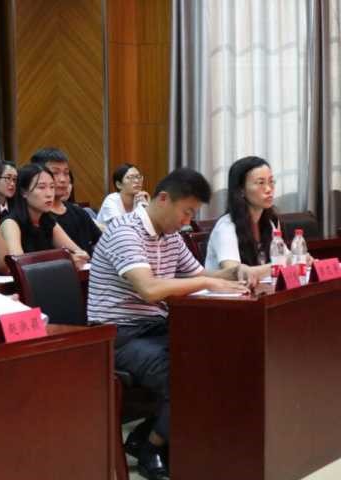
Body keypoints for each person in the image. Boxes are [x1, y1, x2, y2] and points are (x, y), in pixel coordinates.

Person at [87, 168, 255, 480]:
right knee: (184, 369)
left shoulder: (171, 236)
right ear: (164, 199)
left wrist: (237, 272)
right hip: (117, 334)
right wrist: (207, 281)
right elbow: (149, 289)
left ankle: (148, 434)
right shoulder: (126, 231)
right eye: (186, 211)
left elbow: (200, 275)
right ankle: (152, 448)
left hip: (155, 327)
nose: (188, 220)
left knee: (220, 353)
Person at [204, 156, 308, 275]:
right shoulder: (226, 227)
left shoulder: (269, 223)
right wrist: (285, 263)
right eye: (260, 183)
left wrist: (302, 259)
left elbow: (287, 258)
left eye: (271, 181)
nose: (269, 189)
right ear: (241, 190)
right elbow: (235, 273)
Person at [0, 163, 89, 268]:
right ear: (24, 192)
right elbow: (19, 264)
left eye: (52, 187)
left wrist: (80, 256)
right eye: (41, 187)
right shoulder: (10, 223)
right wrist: (65, 261)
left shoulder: (48, 220)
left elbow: (79, 252)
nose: (49, 194)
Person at [30, 148, 101, 257]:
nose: (63, 179)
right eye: (55, 173)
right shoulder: (36, 217)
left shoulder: (79, 213)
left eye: (66, 173)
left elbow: (101, 243)